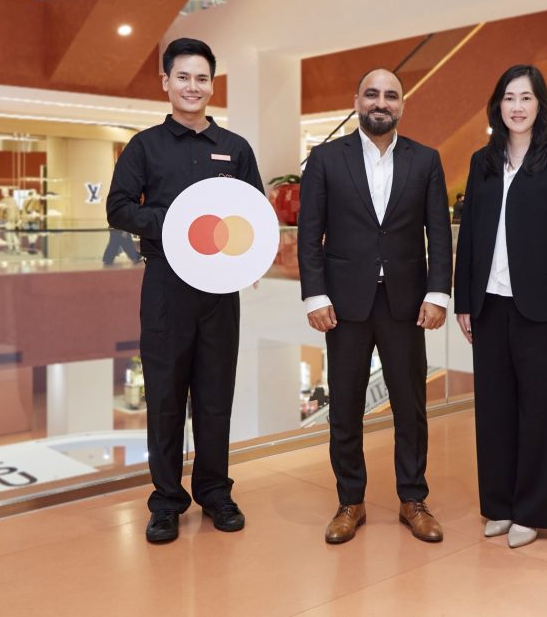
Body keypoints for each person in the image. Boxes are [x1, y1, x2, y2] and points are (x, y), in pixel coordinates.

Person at [107, 37, 264, 545]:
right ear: (166, 82)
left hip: (220, 290)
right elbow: (118, 207)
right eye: (183, 77)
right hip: (165, 286)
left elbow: (255, 214)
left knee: (216, 397)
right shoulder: (144, 146)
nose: (192, 87)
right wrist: (175, 222)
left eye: (201, 78)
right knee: (165, 398)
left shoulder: (236, 148)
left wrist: (249, 257)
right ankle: (167, 501)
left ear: (211, 85)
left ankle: (215, 493)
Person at [297, 68, 453, 545]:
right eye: (371, 94)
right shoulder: (325, 158)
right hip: (343, 305)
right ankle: (351, 501)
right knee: (345, 408)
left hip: (406, 303)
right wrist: (315, 295)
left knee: (411, 407)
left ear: (402, 105)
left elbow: (438, 234)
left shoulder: (425, 160)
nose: (380, 102)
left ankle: (413, 499)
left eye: (390, 95)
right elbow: (309, 234)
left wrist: (438, 293)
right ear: (357, 101)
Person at [453, 65, 547, 548]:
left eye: (526, 97)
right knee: (494, 409)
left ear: (540, 104)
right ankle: (501, 505)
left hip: (543, 307)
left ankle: (534, 510)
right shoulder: (483, 161)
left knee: (542, 411)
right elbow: (470, 234)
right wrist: (463, 299)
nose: (517, 106)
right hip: (489, 303)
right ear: (498, 105)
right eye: (509, 97)